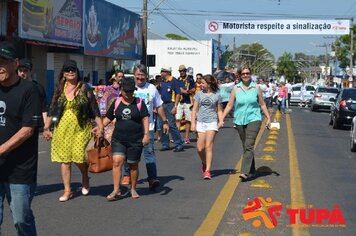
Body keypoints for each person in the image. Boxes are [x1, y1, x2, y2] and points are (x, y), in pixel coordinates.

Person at [43, 59, 104, 202]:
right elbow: (52, 109)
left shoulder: (84, 88)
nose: (70, 72)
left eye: (73, 70)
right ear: (63, 73)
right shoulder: (60, 88)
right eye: (67, 70)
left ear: (77, 72)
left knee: (79, 157)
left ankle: (85, 177)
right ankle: (67, 190)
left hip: (81, 129)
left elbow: (94, 109)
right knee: (65, 160)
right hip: (62, 130)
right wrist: (46, 128)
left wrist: (100, 127)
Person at [0, 41, 41, 235]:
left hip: (20, 170)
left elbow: (27, 130)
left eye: (4, 62)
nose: (0, 67)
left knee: (21, 219)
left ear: (16, 63)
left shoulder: (29, 90)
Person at [121, 64, 169, 189]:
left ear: (146, 76)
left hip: (149, 127)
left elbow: (159, 106)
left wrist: (164, 121)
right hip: (131, 127)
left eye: (143, 75)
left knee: (149, 153)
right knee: (129, 152)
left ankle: (152, 178)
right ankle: (127, 175)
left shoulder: (152, 88)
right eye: (138, 75)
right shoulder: (129, 87)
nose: (140, 78)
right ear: (134, 75)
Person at [220, 65, 271, 181]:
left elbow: (262, 104)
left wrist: (268, 118)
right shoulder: (236, 88)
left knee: (249, 145)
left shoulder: (256, 87)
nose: (246, 75)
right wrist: (222, 118)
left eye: (247, 73)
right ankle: (252, 170)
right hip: (239, 119)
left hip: (254, 118)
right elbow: (229, 105)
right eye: (243, 74)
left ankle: (244, 171)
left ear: (250, 74)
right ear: (240, 75)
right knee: (246, 146)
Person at [102, 77, 149, 200]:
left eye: (130, 91)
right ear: (121, 90)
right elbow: (108, 117)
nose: (128, 94)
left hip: (135, 139)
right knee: (117, 161)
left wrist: (146, 135)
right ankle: (116, 190)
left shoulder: (139, 102)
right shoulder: (116, 102)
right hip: (118, 138)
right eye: (125, 91)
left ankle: (133, 188)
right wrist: (99, 127)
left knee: (133, 165)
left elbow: (145, 118)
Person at [191, 74, 223, 180]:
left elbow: (219, 110)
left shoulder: (217, 95)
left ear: (208, 84)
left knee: (209, 146)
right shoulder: (199, 95)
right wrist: (193, 123)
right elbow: (194, 109)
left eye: (203, 83)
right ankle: (204, 163)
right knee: (200, 148)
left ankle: (208, 171)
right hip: (200, 122)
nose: (200, 85)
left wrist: (221, 120)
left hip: (212, 122)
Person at [158, 66, 184, 152]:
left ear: (167, 72)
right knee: (163, 124)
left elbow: (178, 94)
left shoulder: (174, 81)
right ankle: (165, 144)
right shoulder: (162, 82)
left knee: (172, 125)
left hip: (170, 104)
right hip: (162, 104)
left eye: (162, 71)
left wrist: (175, 106)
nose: (161, 73)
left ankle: (179, 144)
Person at [17, 58, 48, 128]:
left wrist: (46, 127)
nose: (22, 73)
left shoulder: (38, 87)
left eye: (25, 71)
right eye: (20, 70)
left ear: (30, 72)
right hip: (16, 125)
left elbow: (44, 109)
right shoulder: (14, 87)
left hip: (32, 126)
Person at [176, 65, 196, 144]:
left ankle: (187, 137)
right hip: (180, 101)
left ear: (185, 71)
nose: (182, 72)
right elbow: (177, 89)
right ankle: (177, 137)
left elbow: (193, 89)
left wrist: (188, 91)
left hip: (188, 101)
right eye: (180, 71)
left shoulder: (190, 79)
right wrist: (183, 91)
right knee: (178, 119)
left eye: (183, 71)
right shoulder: (178, 79)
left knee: (188, 120)